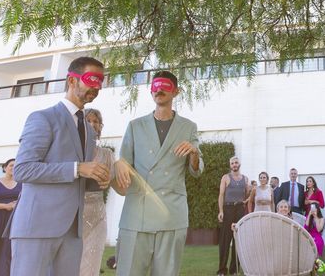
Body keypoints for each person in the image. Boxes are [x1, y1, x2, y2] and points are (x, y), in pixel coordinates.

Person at [7, 56, 110, 276]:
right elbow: (23, 169)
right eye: (92, 79)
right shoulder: (42, 118)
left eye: (101, 81)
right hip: (36, 228)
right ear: (72, 80)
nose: (97, 86)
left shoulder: (90, 131)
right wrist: (78, 168)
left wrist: (97, 180)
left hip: (74, 231)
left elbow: (79, 177)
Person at [114, 70, 204, 276]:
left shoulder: (189, 127)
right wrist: (118, 163)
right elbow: (124, 165)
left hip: (172, 215)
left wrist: (193, 152)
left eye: (165, 86)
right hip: (137, 214)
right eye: (155, 86)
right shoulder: (134, 126)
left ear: (176, 92)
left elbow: (196, 171)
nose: (159, 90)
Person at [80, 109, 116, 276]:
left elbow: (118, 184)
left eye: (97, 122)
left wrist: (122, 165)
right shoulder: (71, 150)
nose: (93, 125)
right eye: (89, 121)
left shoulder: (107, 154)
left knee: (91, 267)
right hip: (73, 214)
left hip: (97, 217)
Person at [216, 156, 249, 276]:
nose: (234, 165)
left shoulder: (245, 179)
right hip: (228, 209)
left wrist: (245, 205)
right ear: (230, 165)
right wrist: (221, 211)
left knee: (238, 240)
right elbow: (221, 195)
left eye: (236, 162)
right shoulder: (225, 178)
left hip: (240, 209)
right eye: (232, 163)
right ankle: (222, 270)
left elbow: (248, 195)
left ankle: (234, 270)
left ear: (239, 164)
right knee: (225, 240)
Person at [0, 158, 21, 276]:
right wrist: (5, 206)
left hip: (15, 219)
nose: (13, 168)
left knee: (10, 248)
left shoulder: (22, 183)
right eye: (11, 165)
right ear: (5, 168)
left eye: (16, 166)